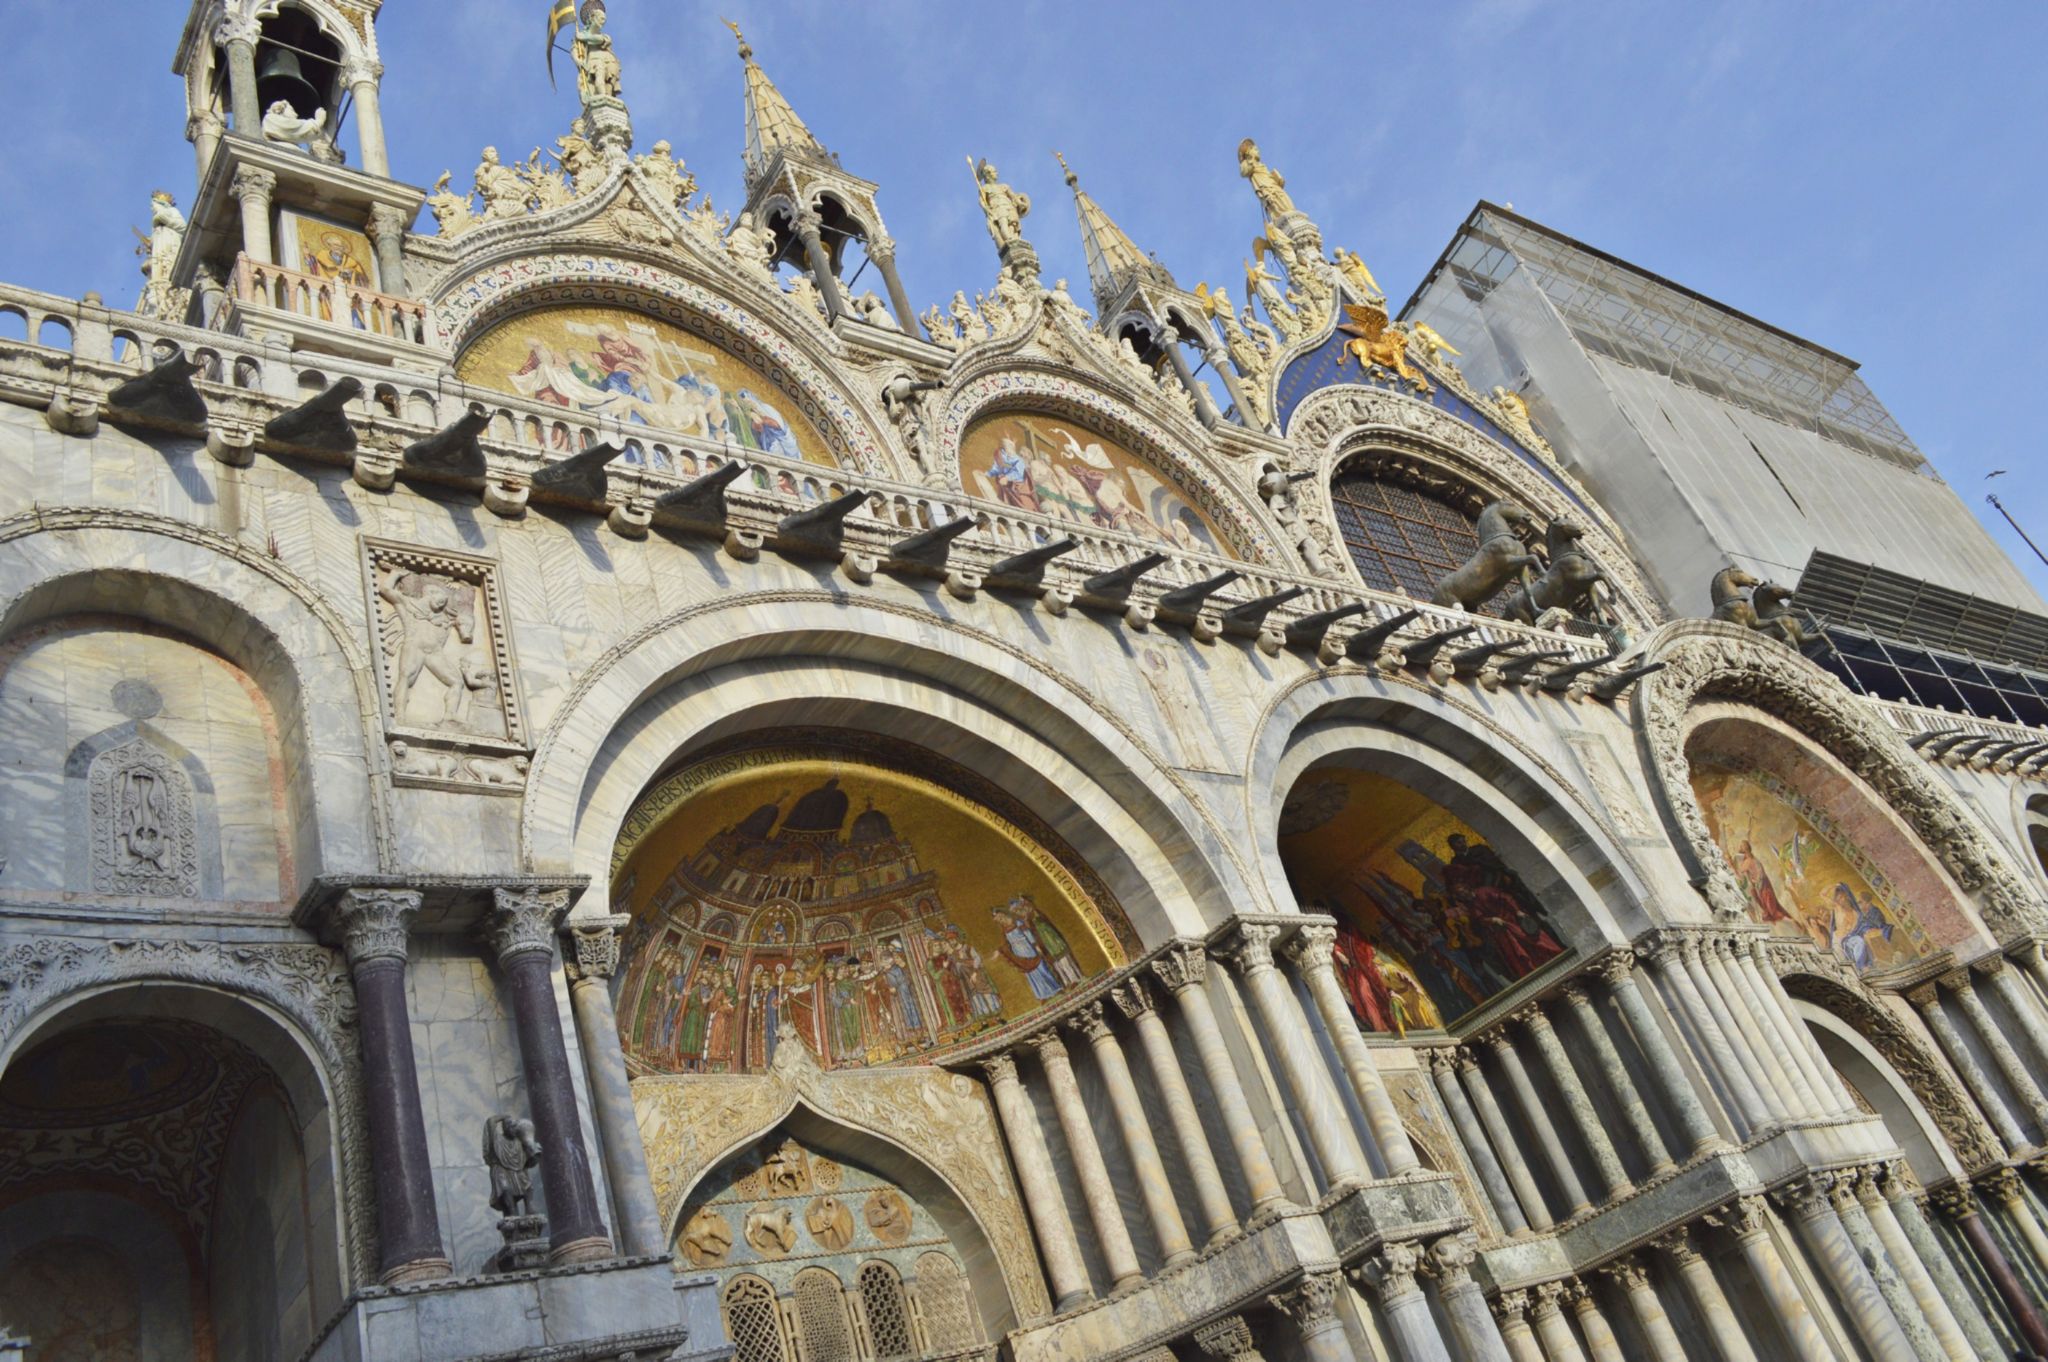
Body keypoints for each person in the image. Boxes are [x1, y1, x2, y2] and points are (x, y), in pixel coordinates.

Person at [992, 907, 1063, 1000]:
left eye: (1000, 917)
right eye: (998, 920)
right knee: (1031, 974)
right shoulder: (1004, 930)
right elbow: (1007, 943)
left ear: (1004, 915)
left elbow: (1028, 933)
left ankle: (1056, 988)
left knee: (1041, 968)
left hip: (1028, 948)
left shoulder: (1017, 923)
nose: (1001, 921)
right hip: (1019, 953)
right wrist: (1000, 950)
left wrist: (1035, 946)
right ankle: (1043, 995)